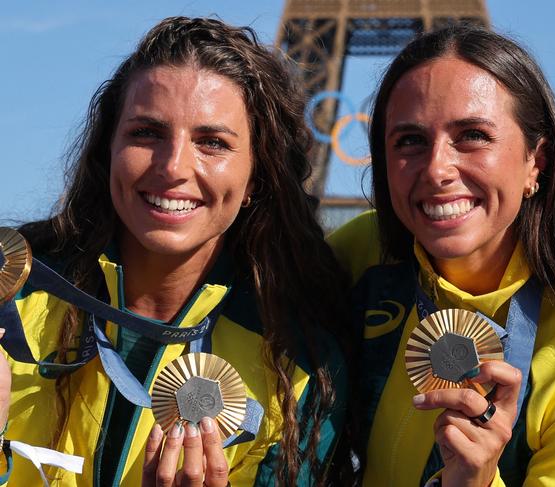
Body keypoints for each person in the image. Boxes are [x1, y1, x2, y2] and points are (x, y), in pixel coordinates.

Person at [0, 16, 348, 486]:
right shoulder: (12, 305)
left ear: (256, 179)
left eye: (212, 142)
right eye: (147, 133)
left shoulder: (300, 367)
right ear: (109, 153)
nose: (174, 167)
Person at [329, 23, 555, 486]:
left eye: (473, 135)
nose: (438, 168)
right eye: (410, 140)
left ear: (535, 162)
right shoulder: (359, 253)